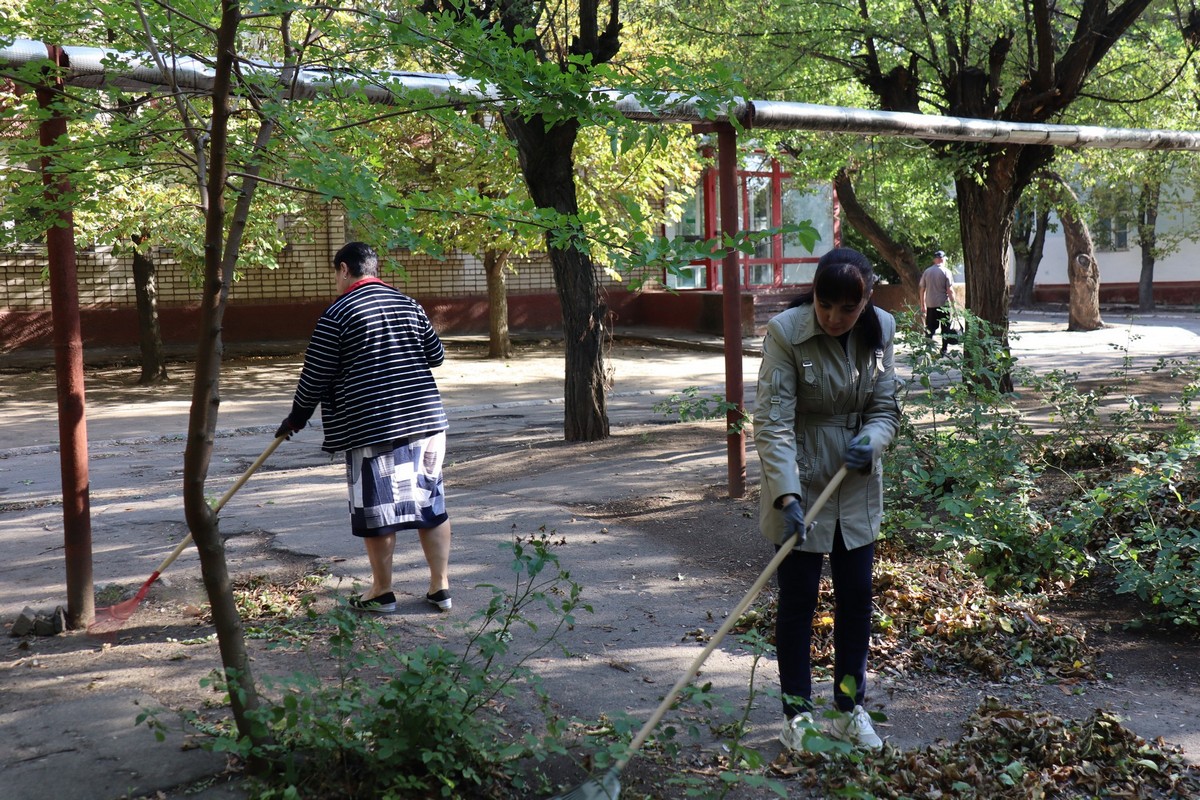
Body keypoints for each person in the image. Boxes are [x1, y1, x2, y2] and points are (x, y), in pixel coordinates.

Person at [753, 247, 901, 752]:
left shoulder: (882, 331)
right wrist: (786, 494)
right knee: (797, 602)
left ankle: (848, 709)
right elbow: (773, 423)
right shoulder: (786, 333)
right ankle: (797, 714)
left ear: (865, 303)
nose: (835, 318)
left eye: (847, 309)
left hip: (855, 486)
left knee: (856, 598)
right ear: (813, 294)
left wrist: (874, 441)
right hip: (802, 479)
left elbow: (885, 406)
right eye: (825, 305)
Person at [276, 241, 453, 614]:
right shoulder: (409, 304)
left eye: (334, 273)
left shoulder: (338, 314)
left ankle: (382, 591)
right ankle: (440, 587)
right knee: (430, 503)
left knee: (377, 510)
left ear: (344, 269)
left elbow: (315, 377)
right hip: (426, 422)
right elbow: (436, 356)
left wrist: (296, 417)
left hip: (373, 425)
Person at [919, 250, 955, 355]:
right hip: (943, 305)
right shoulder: (946, 272)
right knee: (945, 328)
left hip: (930, 304)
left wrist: (922, 304)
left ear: (934, 260)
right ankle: (944, 349)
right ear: (942, 259)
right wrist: (954, 304)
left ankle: (928, 349)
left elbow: (922, 289)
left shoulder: (927, 272)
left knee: (930, 328)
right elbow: (950, 290)